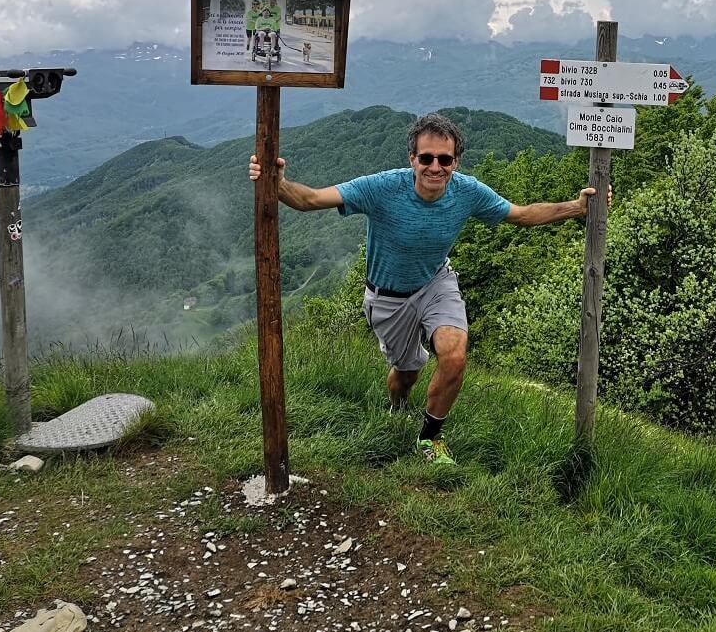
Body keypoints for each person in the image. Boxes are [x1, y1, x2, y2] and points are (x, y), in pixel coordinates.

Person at [248, 112, 611, 466]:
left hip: (436, 282)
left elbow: (522, 215)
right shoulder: (382, 187)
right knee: (405, 375)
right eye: (426, 158)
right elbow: (310, 200)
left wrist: (577, 208)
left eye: (444, 159)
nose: (435, 167)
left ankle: (430, 438)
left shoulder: (468, 192)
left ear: (456, 161)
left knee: (454, 356)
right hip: (388, 297)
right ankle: (397, 407)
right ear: (412, 159)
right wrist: (277, 184)